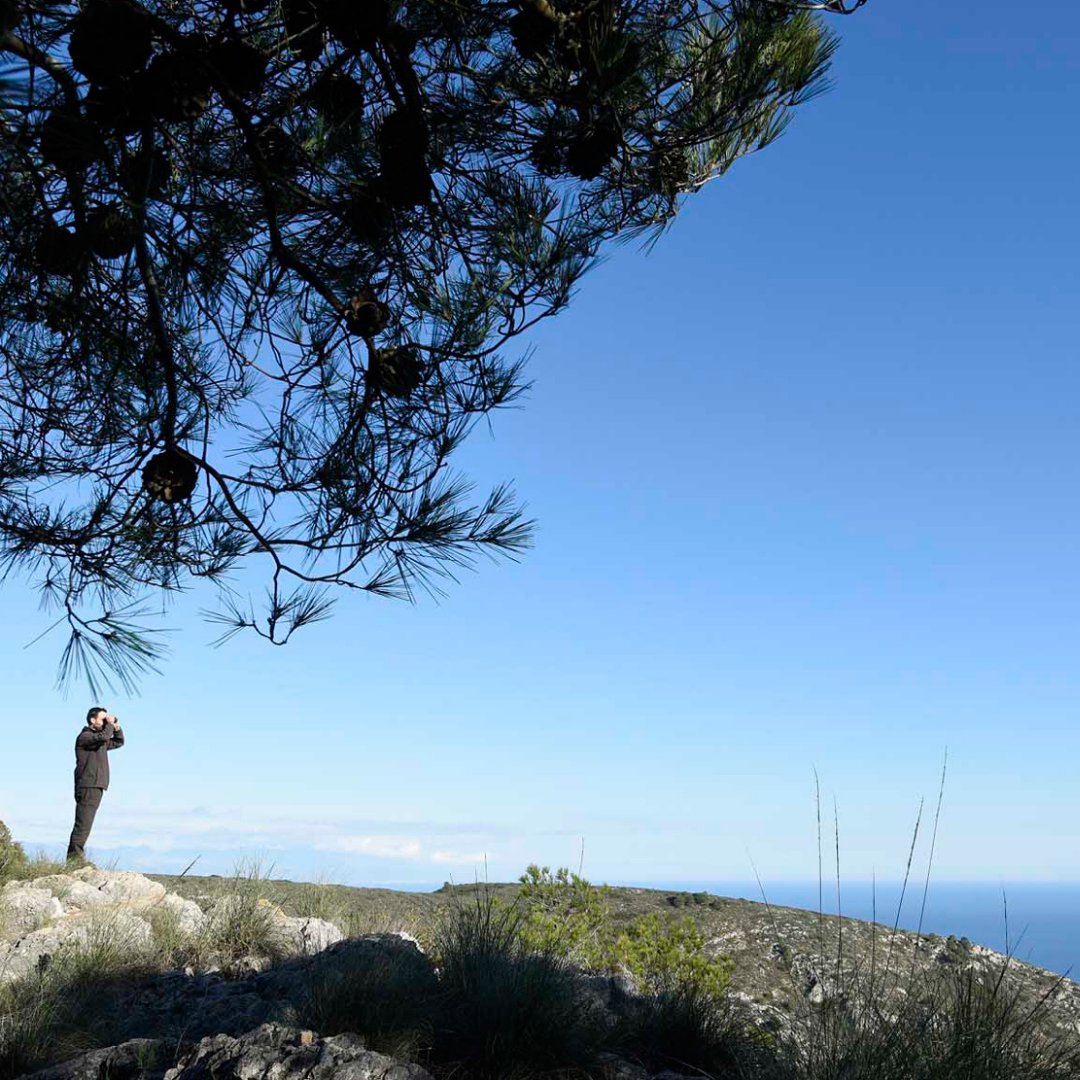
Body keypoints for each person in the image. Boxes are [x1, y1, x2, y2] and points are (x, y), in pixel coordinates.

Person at [66, 706, 125, 864]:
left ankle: (75, 860)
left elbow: (119, 742)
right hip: (87, 785)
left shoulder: (100, 740)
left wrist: (117, 729)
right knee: (83, 825)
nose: (106, 722)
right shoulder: (85, 737)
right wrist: (110, 725)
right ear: (92, 720)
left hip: (95, 785)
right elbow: (104, 736)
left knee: (86, 824)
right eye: (102, 719)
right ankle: (74, 862)